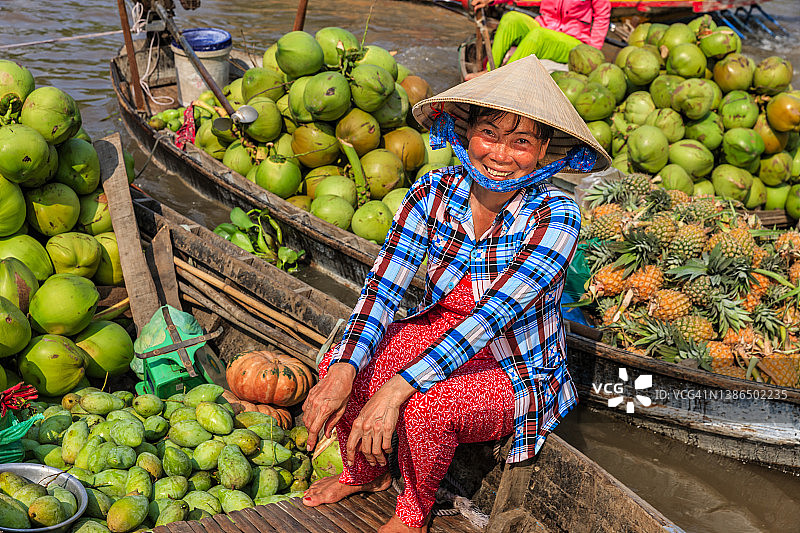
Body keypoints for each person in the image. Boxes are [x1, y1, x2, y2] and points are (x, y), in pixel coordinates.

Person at [301, 55, 610, 533]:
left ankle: (414, 512)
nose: (501, 155)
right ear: (466, 133)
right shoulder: (434, 190)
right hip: (441, 333)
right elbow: (383, 286)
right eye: (489, 133)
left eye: (521, 142)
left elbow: (491, 317)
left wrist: (399, 387)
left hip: (513, 364)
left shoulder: (557, 215)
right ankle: (365, 473)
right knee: (344, 362)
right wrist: (344, 369)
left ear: (544, 151)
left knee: (427, 406)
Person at [468, 0, 611, 67]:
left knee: (538, 35)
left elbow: (602, 16)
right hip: (544, 25)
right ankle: (489, 71)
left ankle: (503, 80)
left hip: (572, 39)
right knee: (511, 18)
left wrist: (592, 52)